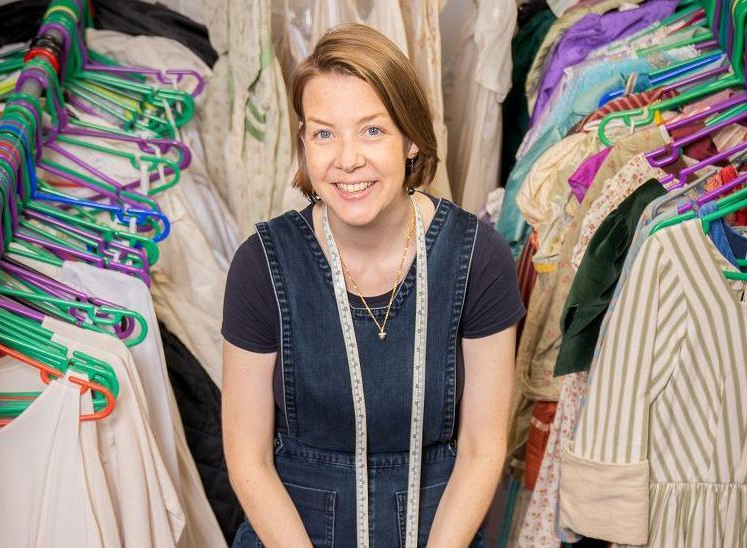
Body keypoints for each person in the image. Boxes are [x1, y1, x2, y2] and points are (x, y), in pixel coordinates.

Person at [221, 23, 523, 547]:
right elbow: (247, 459)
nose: (346, 159)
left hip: (440, 531)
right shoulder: (261, 267)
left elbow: (481, 447)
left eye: (372, 130)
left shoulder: (478, 260)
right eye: (323, 132)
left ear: (409, 138)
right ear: (304, 144)